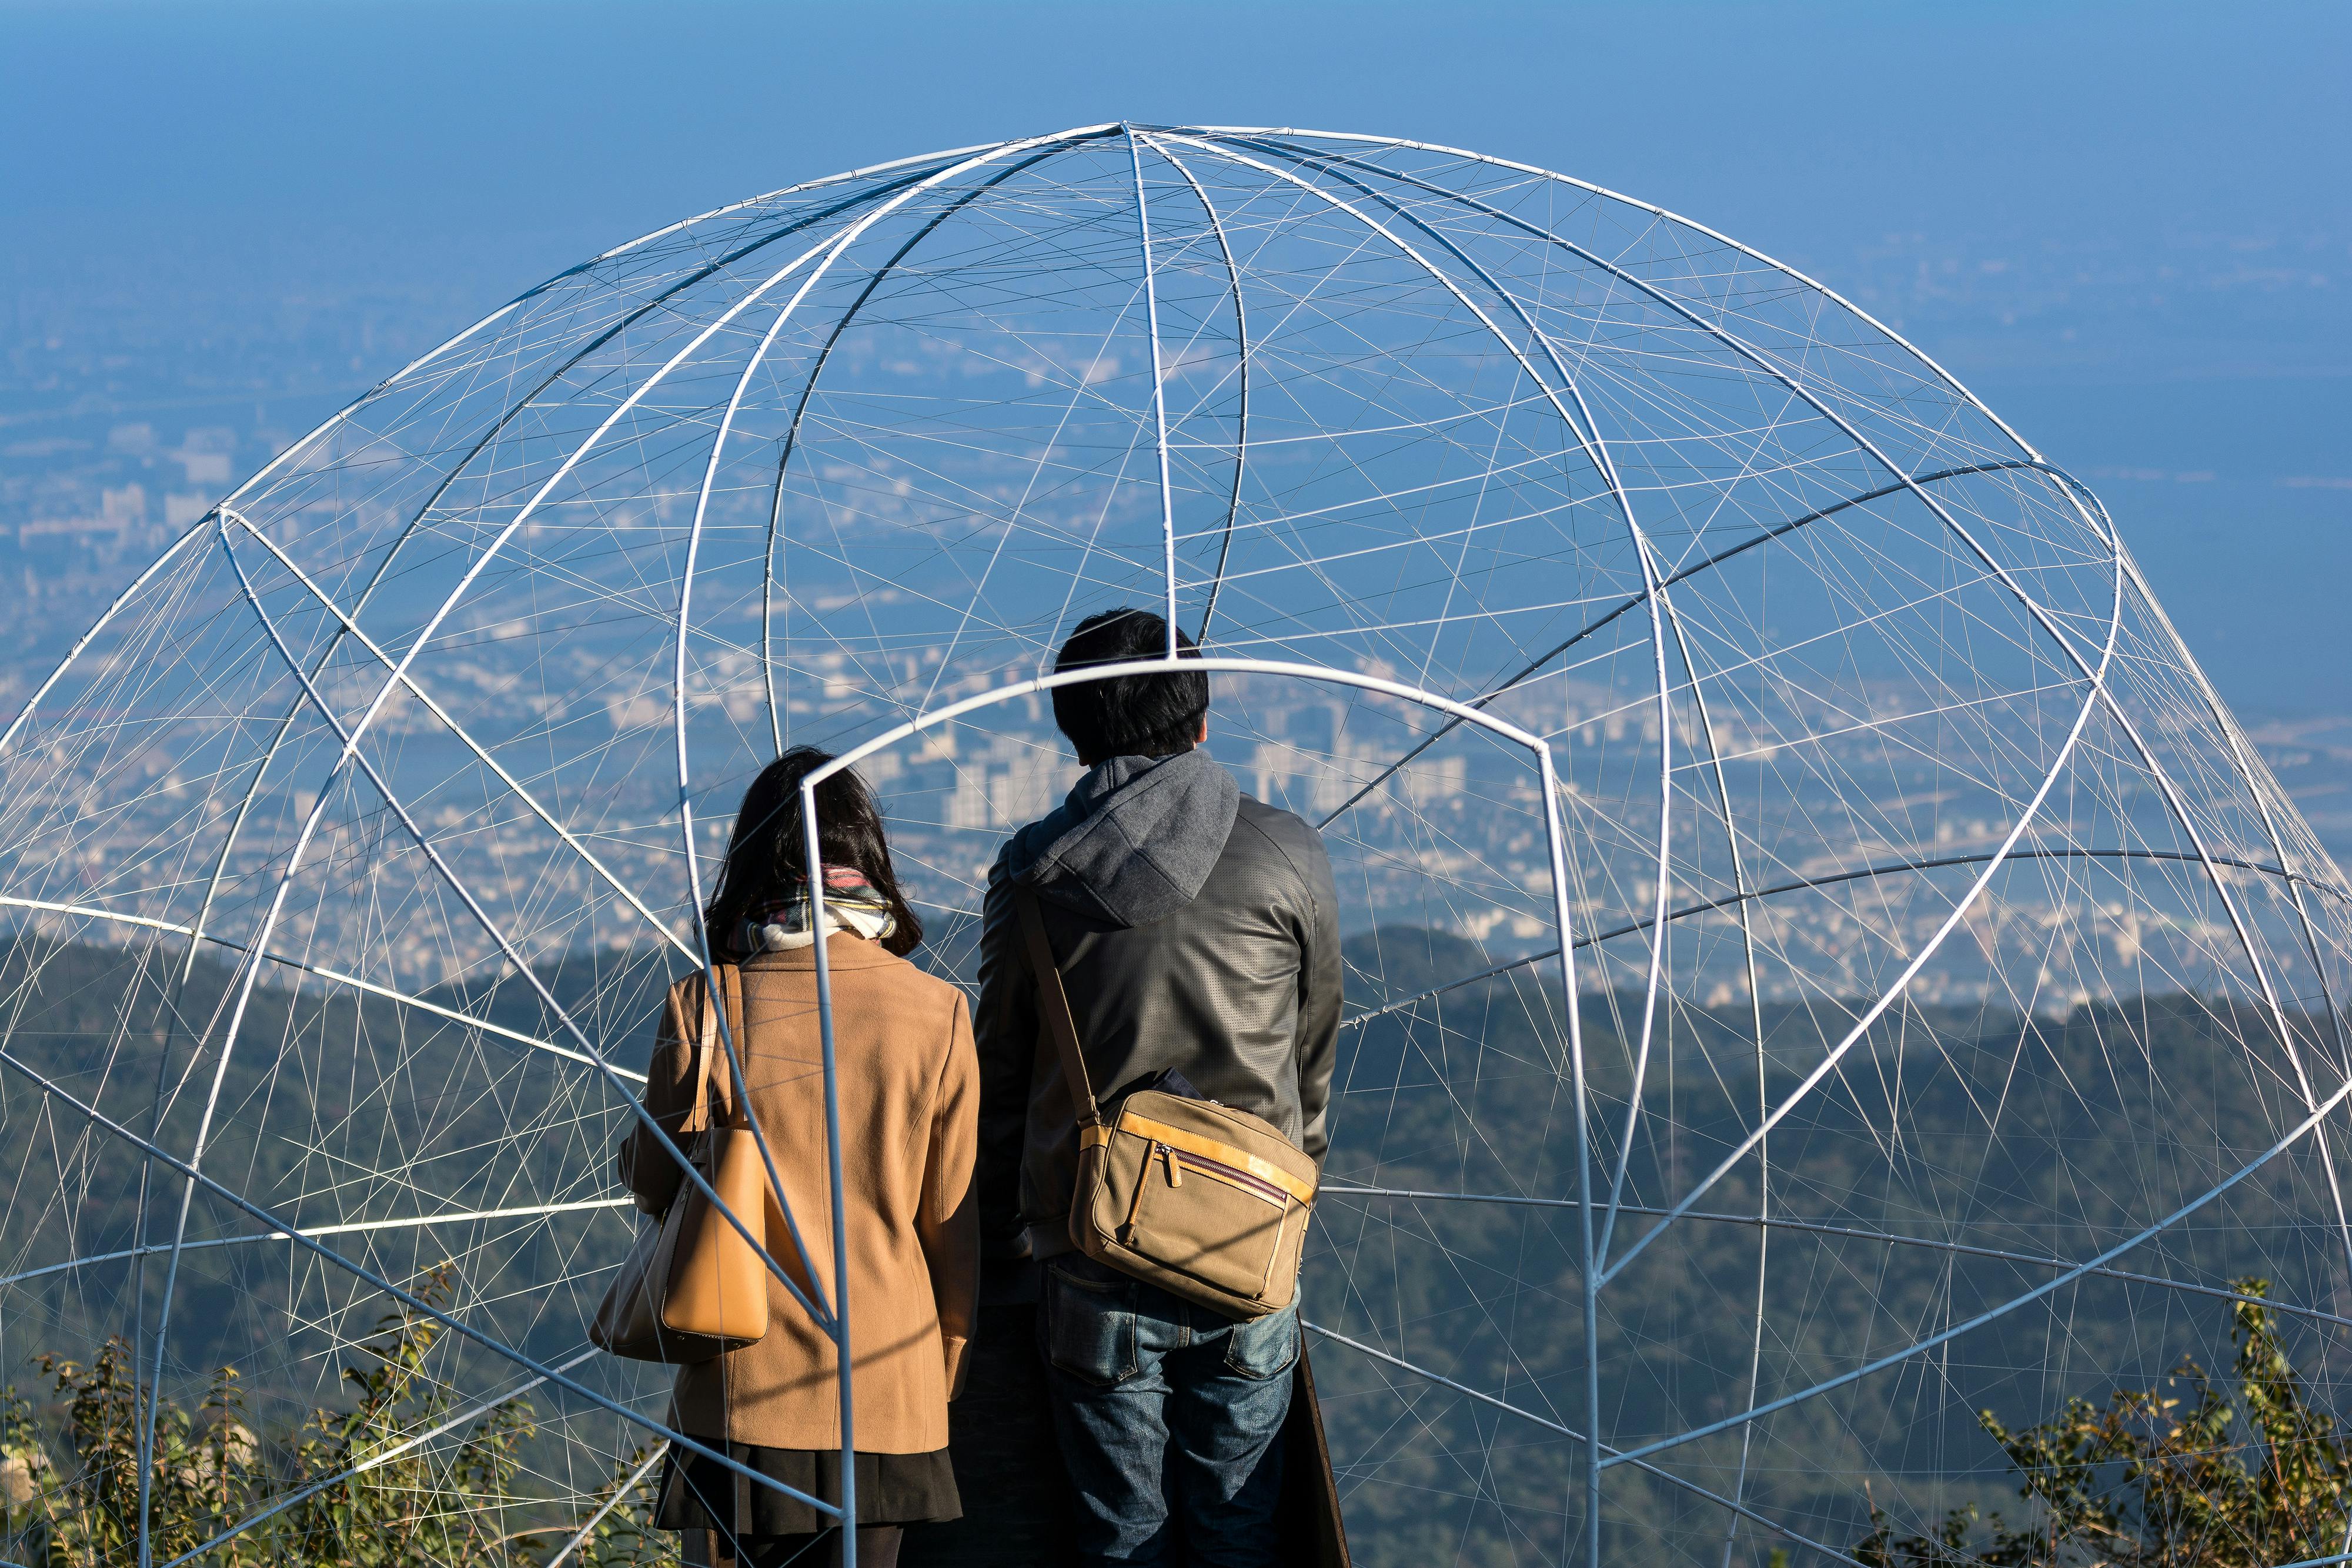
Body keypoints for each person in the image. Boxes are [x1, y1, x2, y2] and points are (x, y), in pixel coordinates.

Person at [974, 609, 1341, 1567]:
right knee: (1239, 1528)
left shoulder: (1030, 873)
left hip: (1093, 1249)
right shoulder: (1290, 852)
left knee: (1119, 1536)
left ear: (1073, 729)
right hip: (1249, 1238)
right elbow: (1313, 1056)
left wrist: (1007, 1239)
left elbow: (1003, 1071)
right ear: (1203, 720)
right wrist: (1292, 1194)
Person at [624, 748, 978, 1568]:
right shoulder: (940, 1014)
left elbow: (653, 1184)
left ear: (751, 862)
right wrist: (946, 1363)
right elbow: (953, 1223)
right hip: (889, 1385)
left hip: (742, 1392)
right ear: (870, 861)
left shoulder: (708, 1004)